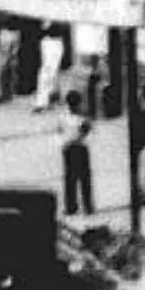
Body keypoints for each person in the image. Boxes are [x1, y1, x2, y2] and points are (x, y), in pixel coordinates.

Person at [59, 89, 95, 217]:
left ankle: (71, 206)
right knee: (85, 177)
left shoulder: (63, 117)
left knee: (70, 178)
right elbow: (86, 131)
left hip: (67, 148)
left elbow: (60, 130)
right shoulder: (83, 118)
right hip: (80, 147)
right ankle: (88, 205)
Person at [33, 31, 65, 113]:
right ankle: (41, 102)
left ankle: (51, 97)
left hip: (58, 40)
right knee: (47, 72)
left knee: (53, 72)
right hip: (49, 40)